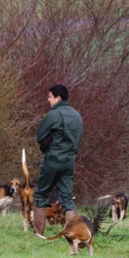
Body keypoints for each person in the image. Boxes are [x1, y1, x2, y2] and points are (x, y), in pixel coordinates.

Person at [33, 84, 83, 237]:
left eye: (50, 97)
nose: (48, 100)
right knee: (67, 198)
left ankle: (39, 234)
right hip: (69, 161)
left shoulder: (54, 114)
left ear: (58, 98)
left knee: (40, 195)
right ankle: (73, 234)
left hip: (52, 160)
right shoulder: (77, 116)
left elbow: (40, 136)